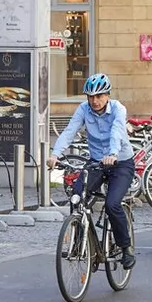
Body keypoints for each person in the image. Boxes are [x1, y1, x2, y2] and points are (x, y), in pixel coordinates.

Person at [47, 73, 137, 269]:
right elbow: (70, 131)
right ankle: (81, 244)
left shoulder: (118, 110)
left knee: (113, 204)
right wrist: (55, 155)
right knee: (77, 195)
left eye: (99, 96)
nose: (95, 101)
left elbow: (117, 132)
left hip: (120, 162)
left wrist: (112, 154)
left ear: (108, 95)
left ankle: (126, 247)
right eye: (90, 97)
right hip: (97, 161)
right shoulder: (83, 109)